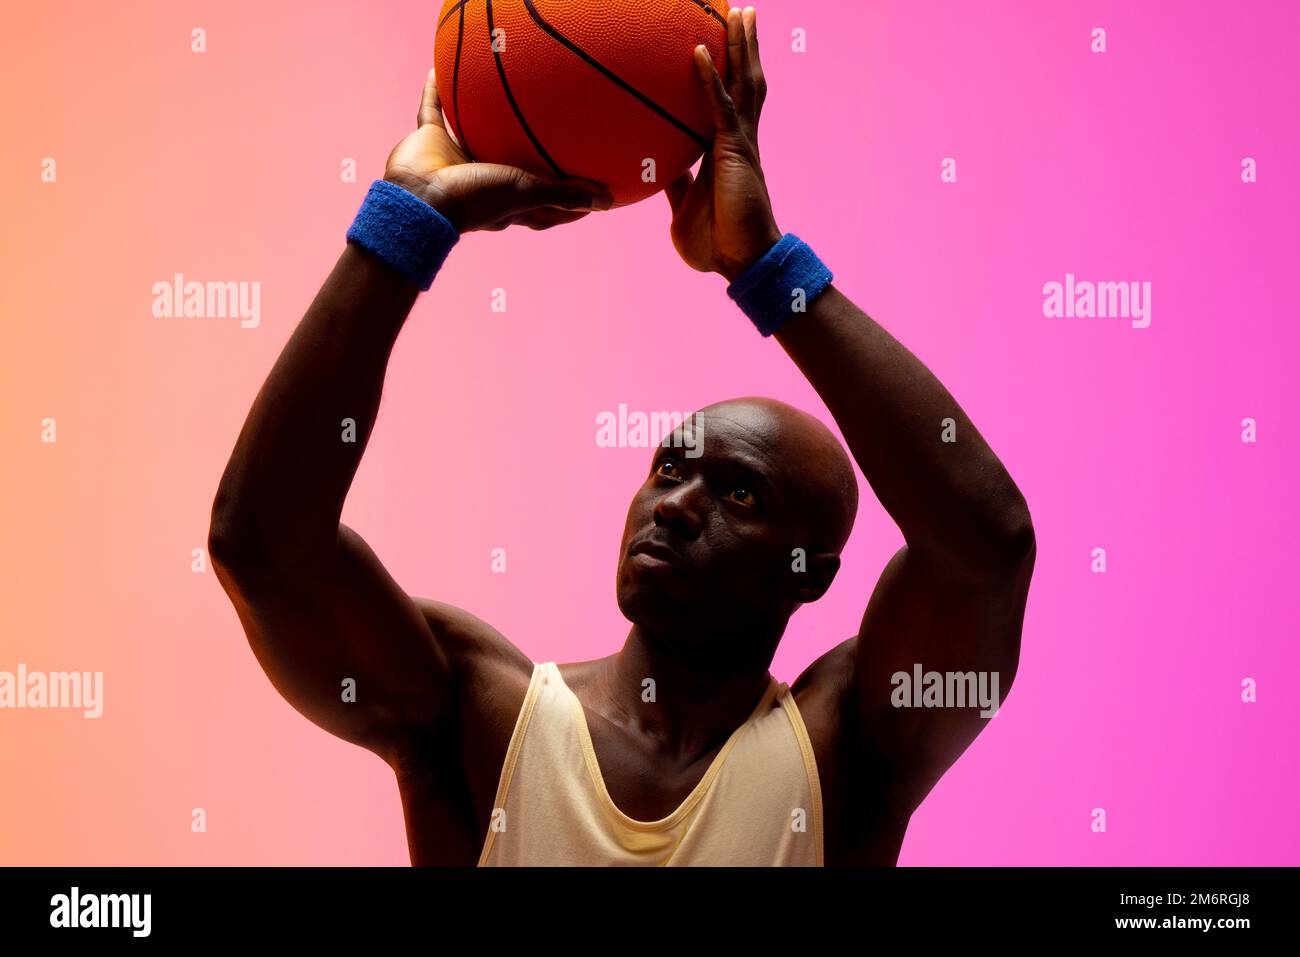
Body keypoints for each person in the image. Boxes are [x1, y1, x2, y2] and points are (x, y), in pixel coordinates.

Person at [208, 8, 1035, 866]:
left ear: (813, 573)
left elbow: (987, 547)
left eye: (739, 492)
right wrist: (407, 222)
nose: (676, 504)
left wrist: (766, 271)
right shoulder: (477, 712)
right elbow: (261, 548)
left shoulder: (848, 750)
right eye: (668, 468)